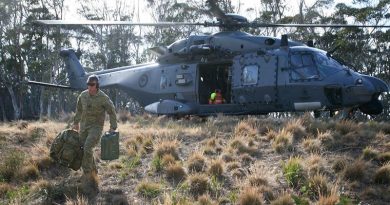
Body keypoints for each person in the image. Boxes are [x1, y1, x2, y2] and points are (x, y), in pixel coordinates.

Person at [73, 75, 117, 183]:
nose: (90, 87)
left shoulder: (103, 98)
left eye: (92, 85)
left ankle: (87, 175)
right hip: (84, 127)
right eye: (88, 84)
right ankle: (93, 172)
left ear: (97, 85)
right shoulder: (83, 96)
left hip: (96, 128)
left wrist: (113, 127)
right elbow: (78, 110)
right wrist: (75, 123)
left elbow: (111, 111)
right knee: (84, 150)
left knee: (87, 148)